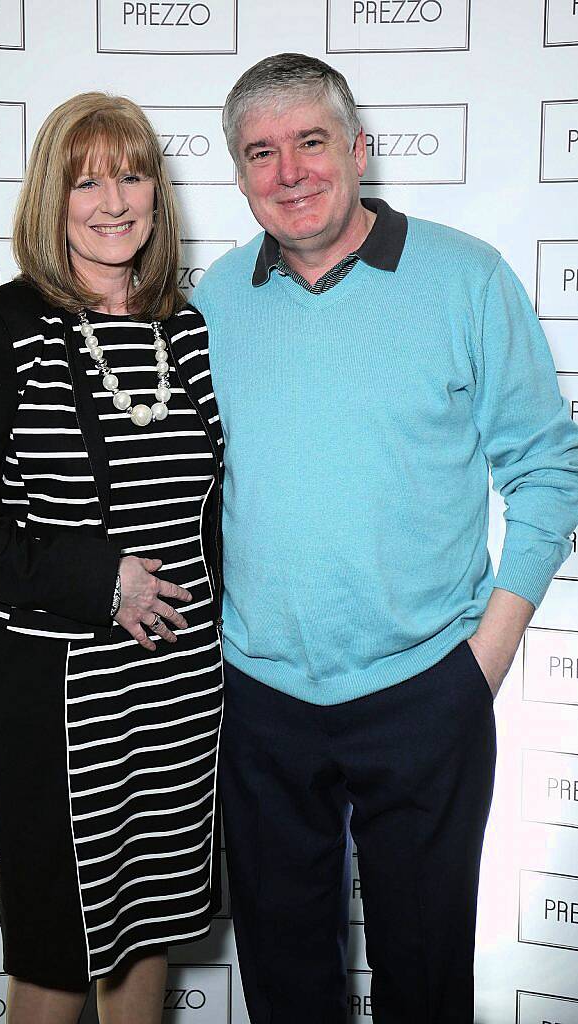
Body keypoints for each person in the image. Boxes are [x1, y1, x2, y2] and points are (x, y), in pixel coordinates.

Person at [191, 53, 578, 1023]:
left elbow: (546, 467)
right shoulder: (211, 306)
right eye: (260, 153)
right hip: (259, 701)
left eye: (310, 142)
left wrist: (477, 663)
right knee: (284, 987)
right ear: (238, 177)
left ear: (358, 149)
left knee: (424, 980)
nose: (288, 173)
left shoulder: (465, 278)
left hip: (424, 692)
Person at [0, 92, 224, 1024]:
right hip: (55, 692)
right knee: (57, 952)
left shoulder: (192, 328)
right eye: (84, 178)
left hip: (182, 683)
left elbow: (215, 513)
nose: (112, 199)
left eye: (132, 173)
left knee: (152, 928)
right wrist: (104, 579)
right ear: (48, 197)